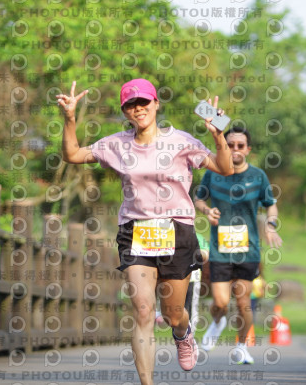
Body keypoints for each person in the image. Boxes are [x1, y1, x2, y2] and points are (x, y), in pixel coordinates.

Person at [57, 79, 233, 385]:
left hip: (177, 230)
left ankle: (182, 333)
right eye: (131, 105)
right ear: (125, 111)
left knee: (173, 314)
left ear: (156, 104)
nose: (139, 109)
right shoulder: (117, 144)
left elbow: (225, 167)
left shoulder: (181, 141)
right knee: (142, 310)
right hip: (135, 231)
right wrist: (70, 119)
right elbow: (72, 154)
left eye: (144, 103)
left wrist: (218, 135)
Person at [194, 125, 283, 365]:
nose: (235, 149)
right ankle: (217, 321)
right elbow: (199, 197)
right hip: (220, 250)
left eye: (240, 145)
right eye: (230, 144)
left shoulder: (258, 176)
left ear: (248, 149)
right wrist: (206, 210)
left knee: (243, 302)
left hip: (248, 250)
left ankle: (242, 346)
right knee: (220, 303)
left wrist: (271, 225)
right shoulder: (212, 173)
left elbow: (270, 205)